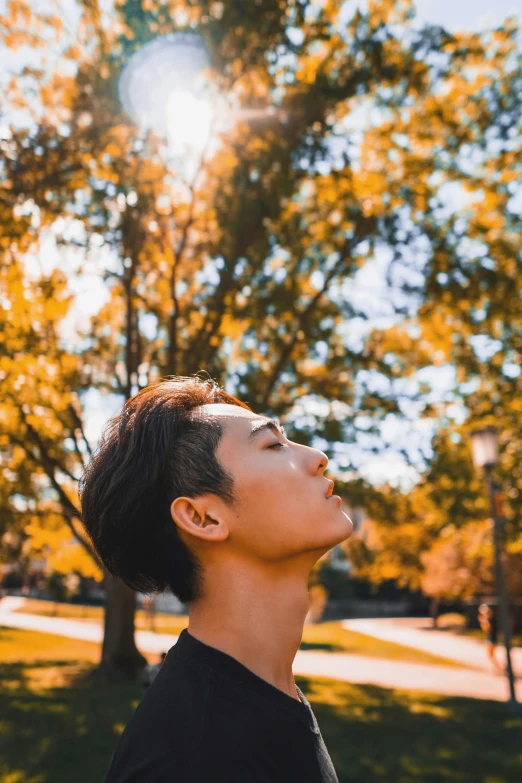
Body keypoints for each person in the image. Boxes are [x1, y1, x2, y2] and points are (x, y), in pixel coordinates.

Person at [79, 375, 353, 783]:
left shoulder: (263, 692)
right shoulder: (190, 759)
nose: (316, 456)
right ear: (203, 518)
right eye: (273, 444)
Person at [478, 603, 501, 672]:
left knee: (491, 655)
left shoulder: (490, 619)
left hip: (493, 638)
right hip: (492, 638)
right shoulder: (490, 618)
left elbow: (487, 628)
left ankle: (498, 668)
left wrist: (482, 620)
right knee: (491, 655)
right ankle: (496, 668)